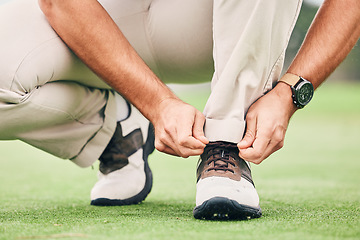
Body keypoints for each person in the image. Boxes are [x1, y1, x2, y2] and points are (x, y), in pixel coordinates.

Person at [0, 0, 359, 220]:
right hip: (100, 16)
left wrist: (290, 91)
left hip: (207, 24)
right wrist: (156, 102)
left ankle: (225, 145)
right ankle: (112, 132)